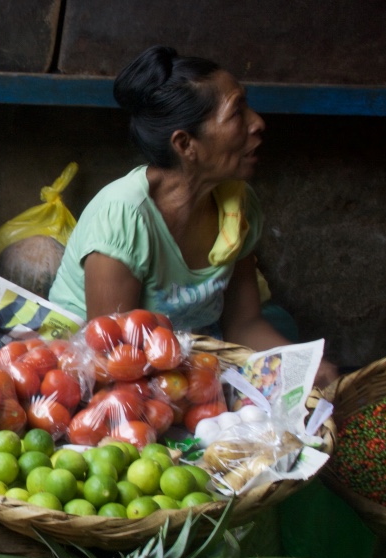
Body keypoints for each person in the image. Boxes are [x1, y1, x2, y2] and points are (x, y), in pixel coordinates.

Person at [47, 46, 339, 387]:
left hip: (179, 345)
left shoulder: (237, 204)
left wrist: (304, 369)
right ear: (185, 144)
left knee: (282, 328)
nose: (257, 123)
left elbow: (243, 325)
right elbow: (113, 356)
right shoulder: (125, 217)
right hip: (98, 360)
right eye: (236, 114)